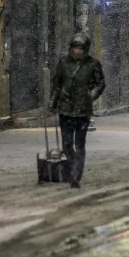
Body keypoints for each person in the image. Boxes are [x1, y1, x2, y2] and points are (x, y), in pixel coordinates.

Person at [47, 33, 105, 189]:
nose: (77, 51)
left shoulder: (93, 64)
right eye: (75, 48)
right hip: (66, 110)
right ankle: (73, 167)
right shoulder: (64, 63)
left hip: (83, 111)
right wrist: (52, 104)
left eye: (80, 48)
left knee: (79, 144)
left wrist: (90, 95)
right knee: (67, 144)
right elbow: (57, 85)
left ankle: (75, 175)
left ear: (85, 49)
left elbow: (100, 84)